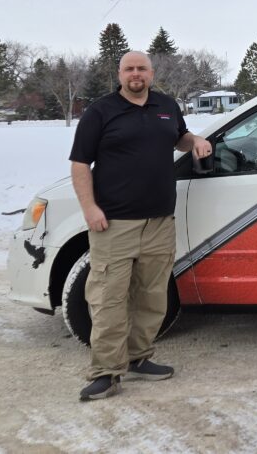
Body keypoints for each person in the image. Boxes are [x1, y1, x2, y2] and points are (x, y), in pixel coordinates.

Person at [69, 51, 212, 401]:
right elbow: (79, 164)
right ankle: (106, 372)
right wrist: (89, 208)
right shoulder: (100, 111)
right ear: (120, 74)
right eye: (129, 69)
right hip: (114, 224)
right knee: (109, 300)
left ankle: (139, 357)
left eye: (142, 68)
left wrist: (195, 141)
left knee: (151, 297)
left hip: (160, 222)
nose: (136, 74)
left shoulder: (166, 105)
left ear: (151, 73)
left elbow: (179, 136)